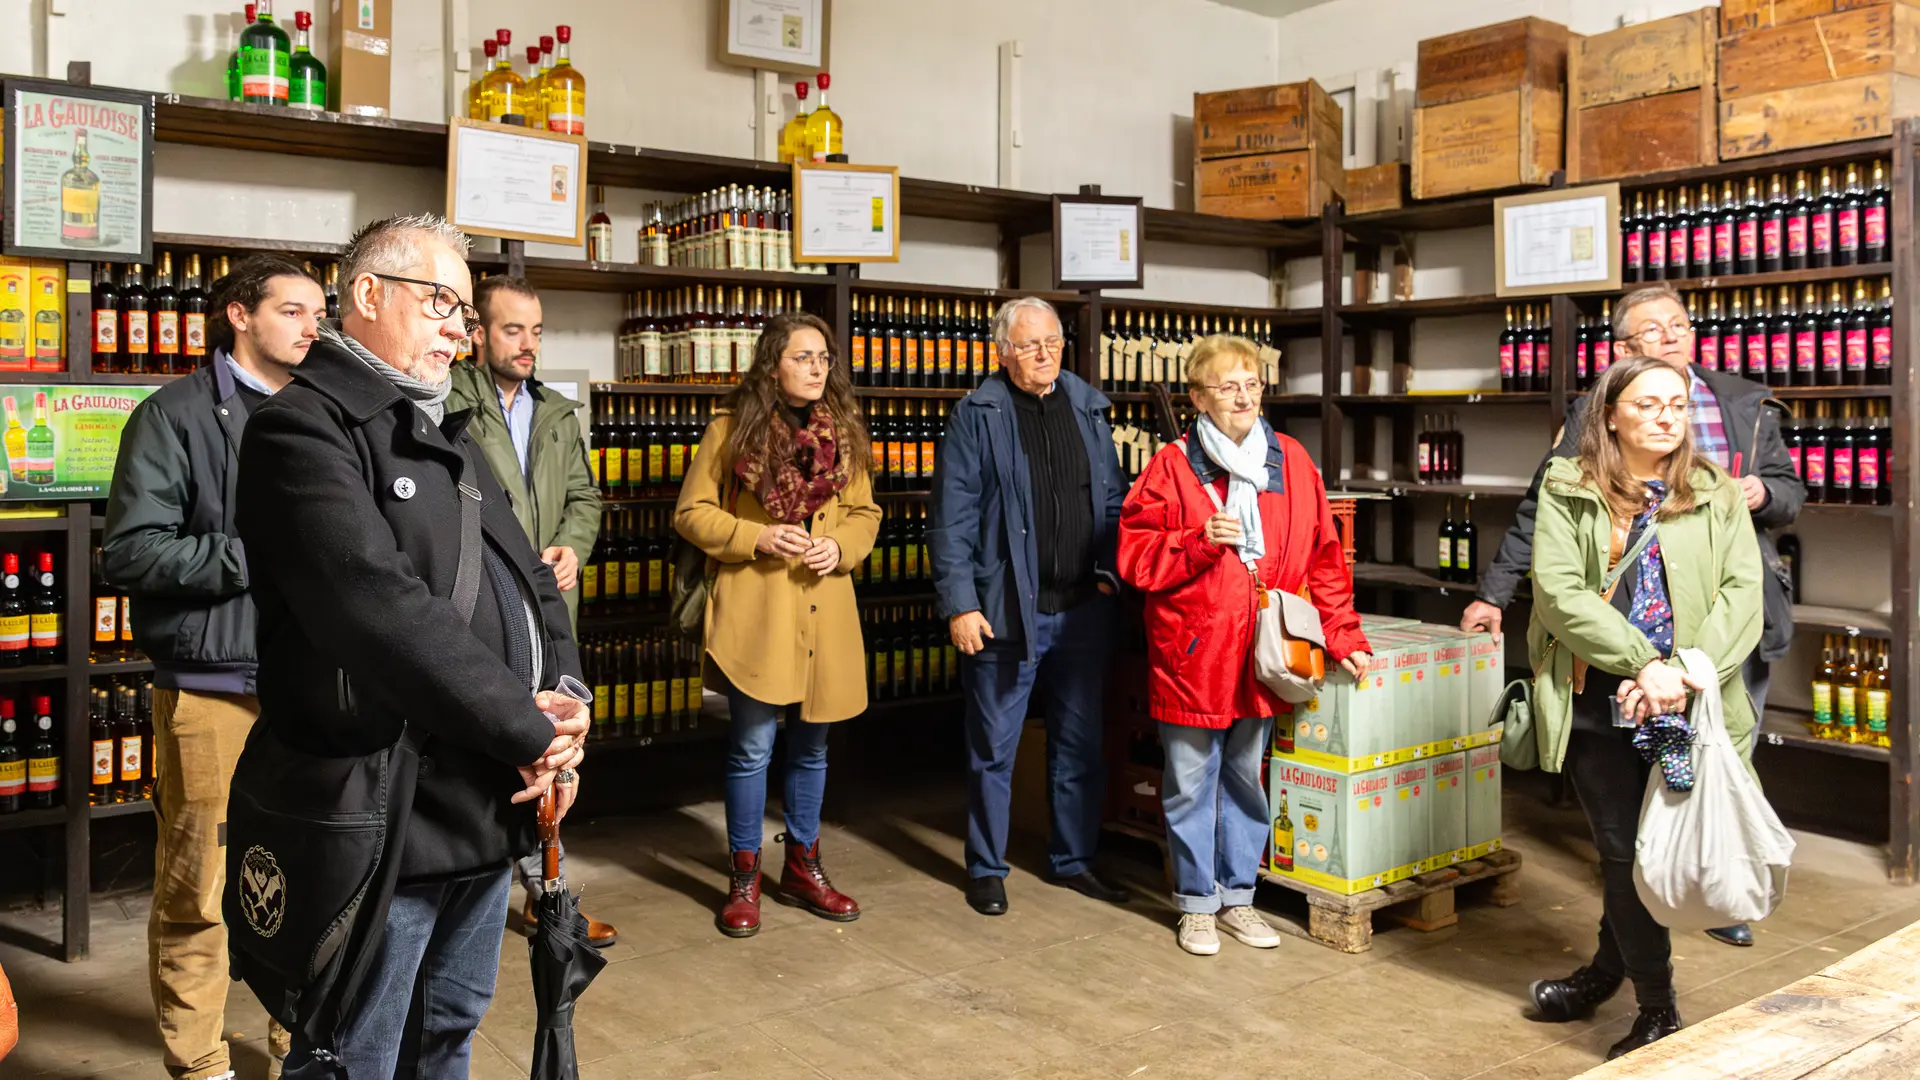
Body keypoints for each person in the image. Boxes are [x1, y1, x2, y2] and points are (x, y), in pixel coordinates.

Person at [232, 214, 587, 1076]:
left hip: (482, 800)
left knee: (449, 1032)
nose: (459, 333)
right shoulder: (303, 431)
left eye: (465, 314)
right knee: (356, 1051)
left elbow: (534, 580)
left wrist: (569, 701)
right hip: (384, 810)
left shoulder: (446, 435)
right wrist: (528, 727)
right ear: (366, 295)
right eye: (441, 303)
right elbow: (376, 608)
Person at [1463, 282, 1803, 949]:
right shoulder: (1588, 427)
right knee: (1626, 818)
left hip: (1719, 632)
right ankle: (1639, 929)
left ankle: (1710, 890)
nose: (1672, 336)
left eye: (1680, 324)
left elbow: (1785, 501)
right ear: (1621, 361)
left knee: (1718, 767)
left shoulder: (1742, 401)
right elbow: (1548, 523)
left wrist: (1762, 492)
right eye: (1654, 330)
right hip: (1622, 654)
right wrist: (1496, 591)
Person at [103, 255, 321, 1080]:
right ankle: (199, 1065)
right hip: (212, 689)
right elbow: (132, 550)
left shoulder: (321, 413)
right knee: (200, 890)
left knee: (305, 878)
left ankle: (293, 1044)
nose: (313, 327)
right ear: (239, 314)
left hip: (310, 693)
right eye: (294, 311)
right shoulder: (173, 415)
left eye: (318, 312)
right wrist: (249, 556)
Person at [1522, 354, 1762, 1060]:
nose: (1666, 416)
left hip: (1689, 700)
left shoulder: (1713, 490)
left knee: (1642, 854)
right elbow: (1558, 591)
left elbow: (1742, 594)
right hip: (1601, 697)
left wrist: (1681, 673)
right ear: (1612, 413)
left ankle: (1605, 973)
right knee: (1624, 850)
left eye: (1677, 405)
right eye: (1649, 403)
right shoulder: (1569, 484)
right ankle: (1658, 1008)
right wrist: (1642, 664)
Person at [1117, 335, 1370, 956]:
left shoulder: (1290, 461)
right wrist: (1199, 539)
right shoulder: (1171, 467)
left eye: (1252, 384)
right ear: (1198, 397)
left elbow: (1326, 559)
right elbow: (1134, 557)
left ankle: (1238, 899)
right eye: (1227, 386)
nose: (1243, 397)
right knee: (1188, 780)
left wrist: (1343, 635)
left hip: (1264, 647)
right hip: (1192, 651)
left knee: (1247, 777)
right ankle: (1196, 905)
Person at [674, 312, 880, 938]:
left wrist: (840, 547)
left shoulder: (845, 432)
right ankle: (743, 876)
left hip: (824, 608)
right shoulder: (731, 431)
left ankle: (802, 867)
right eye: (803, 357)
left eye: (824, 358)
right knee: (752, 748)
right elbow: (692, 514)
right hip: (758, 609)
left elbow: (866, 513)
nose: (818, 368)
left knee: (813, 748)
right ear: (772, 365)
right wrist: (757, 535)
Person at [929, 296, 1129, 917]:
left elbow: (1116, 502)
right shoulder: (977, 415)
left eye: (1053, 342)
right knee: (994, 748)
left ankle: (1072, 860)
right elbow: (950, 521)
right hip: (1004, 610)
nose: (1045, 355)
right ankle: (987, 867)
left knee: (1079, 743)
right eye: (1030, 345)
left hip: (1081, 610)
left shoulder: (1090, 408)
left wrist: (1110, 575)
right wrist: (960, 604)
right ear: (1002, 351)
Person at [448, 275, 614, 947]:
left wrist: (572, 547)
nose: (528, 344)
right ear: (478, 334)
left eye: (537, 331)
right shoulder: (451, 402)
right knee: (507, 751)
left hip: (546, 610)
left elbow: (585, 497)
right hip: (482, 608)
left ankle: (547, 899)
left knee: (548, 747)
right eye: (513, 329)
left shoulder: (554, 412)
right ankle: (536, 900)